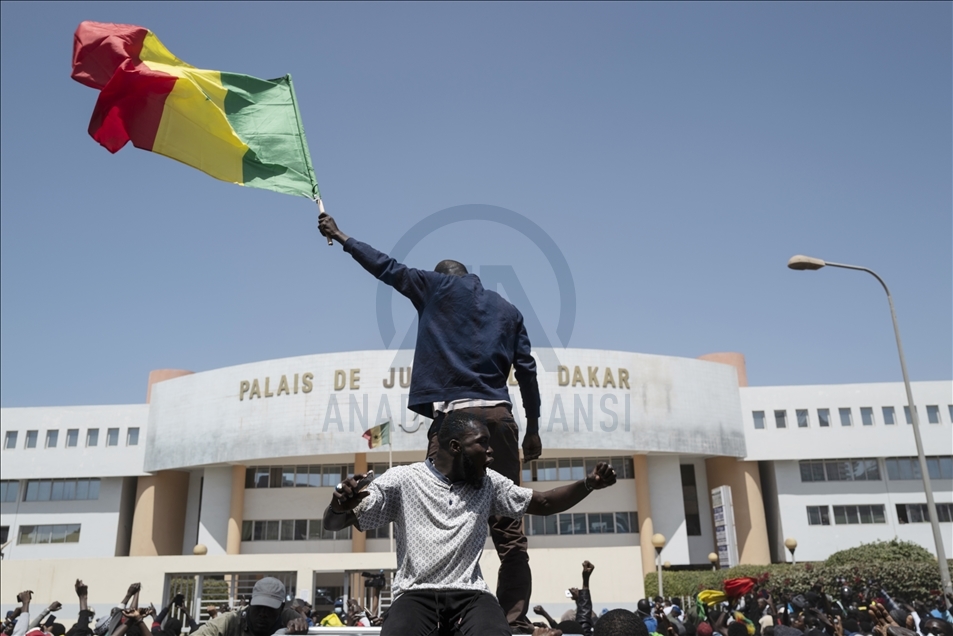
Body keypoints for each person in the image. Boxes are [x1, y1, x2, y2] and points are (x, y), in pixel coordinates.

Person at [318, 211, 543, 632]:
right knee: (510, 531)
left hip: (457, 424)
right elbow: (527, 369)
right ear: (471, 275)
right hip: (501, 418)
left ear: (444, 276)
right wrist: (533, 427)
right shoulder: (508, 309)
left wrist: (341, 235)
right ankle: (513, 619)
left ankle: (431, 604)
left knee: (436, 509)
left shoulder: (436, 287)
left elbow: (387, 268)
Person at [323, 410, 616, 635]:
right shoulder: (404, 480)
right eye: (483, 444)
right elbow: (334, 523)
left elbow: (545, 503)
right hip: (416, 593)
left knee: (494, 629)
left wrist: (588, 484)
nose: (491, 453)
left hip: (470, 595)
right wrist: (338, 504)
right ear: (455, 446)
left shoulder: (489, 485)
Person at [192, 578, 306, 636]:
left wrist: (301, 629)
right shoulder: (229, 622)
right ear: (250, 603)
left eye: (269, 609)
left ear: (281, 609)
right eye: (258, 607)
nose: (262, 614)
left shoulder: (290, 619)